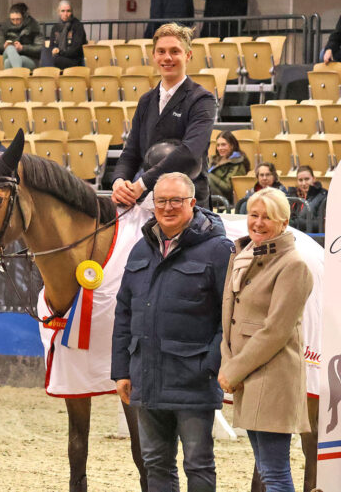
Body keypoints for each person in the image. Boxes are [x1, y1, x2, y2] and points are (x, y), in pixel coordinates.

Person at [111, 172, 233, 492]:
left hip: (194, 382)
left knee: (198, 464)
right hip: (146, 378)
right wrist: (122, 370)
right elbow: (124, 312)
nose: (167, 207)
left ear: (192, 203)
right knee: (155, 463)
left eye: (176, 201)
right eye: (161, 200)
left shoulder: (219, 250)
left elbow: (231, 316)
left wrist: (209, 366)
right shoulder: (140, 250)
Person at [219, 187, 314, 492]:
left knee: (274, 472)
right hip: (249, 375)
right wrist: (228, 362)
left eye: (267, 218)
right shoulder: (245, 256)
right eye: (254, 215)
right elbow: (231, 318)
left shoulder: (293, 265)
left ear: (284, 223)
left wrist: (232, 371)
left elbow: (276, 330)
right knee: (265, 467)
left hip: (274, 378)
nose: (258, 223)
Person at [111, 23, 215, 208]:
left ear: (188, 55)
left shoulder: (202, 99)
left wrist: (141, 184)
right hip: (149, 203)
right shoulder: (146, 101)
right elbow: (131, 152)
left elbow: (188, 154)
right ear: (154, 56)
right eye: (161, 51)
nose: (167, 58)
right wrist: (119, 181)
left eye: (175, 51)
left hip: (188, 206)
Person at [0, 2, 44, 70]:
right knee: (10, 48)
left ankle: (14, 77)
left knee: (8, 62)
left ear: (24, 17)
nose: (15, 22)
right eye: (12, 19)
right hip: (9, 53)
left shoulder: (34, 26)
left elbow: (40, 49)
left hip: (30, 59)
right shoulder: (5, 27)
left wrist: (22, 48)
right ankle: (19, 73)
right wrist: (4, 46)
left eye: (18, 19)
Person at [208, 130, 250, 204]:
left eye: (223, 145)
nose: (220, 148)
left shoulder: (238, 162)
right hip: (209, 194)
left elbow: (229, 188)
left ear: (232, 145)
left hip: (224, 199)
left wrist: (209, 175)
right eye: (218, 145)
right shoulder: (214, 159)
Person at [45, 0, 87, 70]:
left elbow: (76, 49)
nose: (65, 14)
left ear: (72, 12)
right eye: (63, 11)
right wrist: (54, 50)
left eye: (68, 11)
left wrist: (60, 52)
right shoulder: (55, 27)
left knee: (54, 61)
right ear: (58, 12)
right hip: (59, 57)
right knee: (46, 56)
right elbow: (52, 46)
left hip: (74, 59)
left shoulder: (77, 26)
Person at [290, 166, 328, 232]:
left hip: (314, 237)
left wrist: (297, 222)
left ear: (313, 179)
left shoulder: (323, 196)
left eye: (307, 179)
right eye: (300, 180)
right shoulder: (293, 195)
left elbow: (322, 225)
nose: (304, 183)